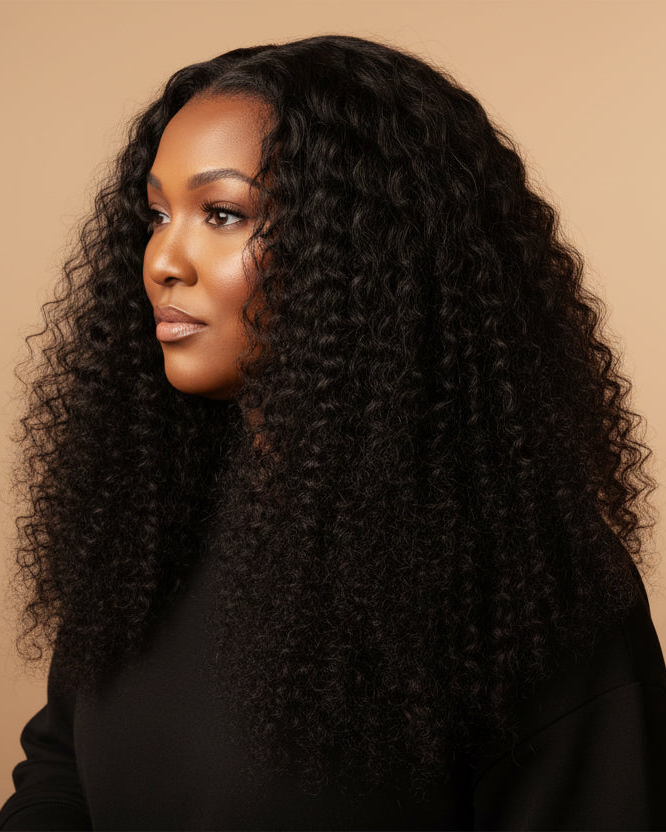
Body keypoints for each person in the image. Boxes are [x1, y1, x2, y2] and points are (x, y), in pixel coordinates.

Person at [0, 34, 664, 831]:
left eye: (222, 214)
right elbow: (62, 770)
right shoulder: (154, 522)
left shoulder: (529, 577)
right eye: (156, 214)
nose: (162, 260)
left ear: (363, 251)